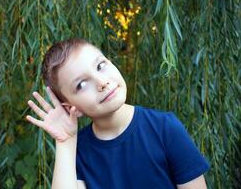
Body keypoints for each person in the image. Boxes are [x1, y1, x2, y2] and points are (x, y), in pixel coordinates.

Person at [26, 38, 210, 189]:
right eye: (81, 85)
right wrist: (65, 143)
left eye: (100, 66)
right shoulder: (77, 152)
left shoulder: (164, 128)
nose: (101, 82)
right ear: (69, 107)